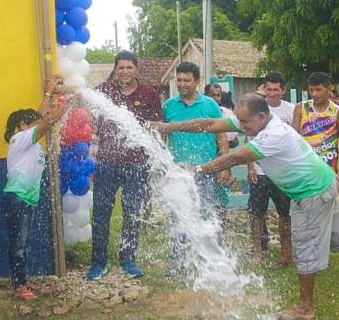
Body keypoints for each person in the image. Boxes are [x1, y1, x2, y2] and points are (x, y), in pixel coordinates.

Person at [153, 94, 339, 320]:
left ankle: (305, 307)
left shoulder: (274, 134)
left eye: (244, 123)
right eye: (239, 122)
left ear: (262, 116)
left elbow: (236, 157)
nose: (241, 127)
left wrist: (198, 170)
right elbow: (210, 123)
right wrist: (170, 127)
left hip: (311, 193)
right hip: (324, 182)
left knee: (304, 247)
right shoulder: (254, 120)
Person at [88, 51, 164, 280]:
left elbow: (157, 126)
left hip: (136, 164)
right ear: (115, 70)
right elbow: (94, 122)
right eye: (120, 68)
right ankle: (98, 262)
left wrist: (153, 158)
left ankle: (127, 260)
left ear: (136, 69)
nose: (124, 72)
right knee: (101, 212)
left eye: (129, 67)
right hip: (106, 163)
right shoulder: (105, 90)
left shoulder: (148, 93)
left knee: (132, 213)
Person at [2, 76, 71, 300]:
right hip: (18, 198)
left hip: (27, 199)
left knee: (22, 242)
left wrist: (49, 93)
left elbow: (41, 118)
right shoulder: (19, 139)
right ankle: (18, 285)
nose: (37, 123)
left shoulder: (27, 141)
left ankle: (21, 278)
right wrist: (67, 103)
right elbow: (46, 121)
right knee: (18, 244)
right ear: (21, 126)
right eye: (30, 121)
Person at [163, 63, 231, 275]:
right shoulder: (169, 106)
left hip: (206, 170)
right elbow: (163, 137)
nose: (182, 84)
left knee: (207, 213)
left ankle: (209, 261)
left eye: (187, 80)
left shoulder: (210, 104)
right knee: (178, 215)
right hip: (179, 171)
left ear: (197, 81)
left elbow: (222, 135)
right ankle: (178, 260)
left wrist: (224, 165)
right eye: (179, 80)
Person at [247, 71, 295, 267]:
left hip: (282, 173)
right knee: (256, 214)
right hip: (259, 171)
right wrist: (250, 166)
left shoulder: (291, 110)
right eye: (268, 89)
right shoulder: (257, 109)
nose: (272, 93)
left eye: (276, 90)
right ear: (264, 89)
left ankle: (285, 254)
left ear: (283, 90)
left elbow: (295, 140)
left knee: (285, 215)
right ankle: (258, 252)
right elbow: (248, 138)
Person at [292, 72, 339, 187]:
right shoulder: (301, 108)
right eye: (311, 90)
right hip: (306, 172)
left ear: (328, 89)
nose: (314, 94)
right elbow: (294, 141)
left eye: (318, 90)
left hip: (329, 172)